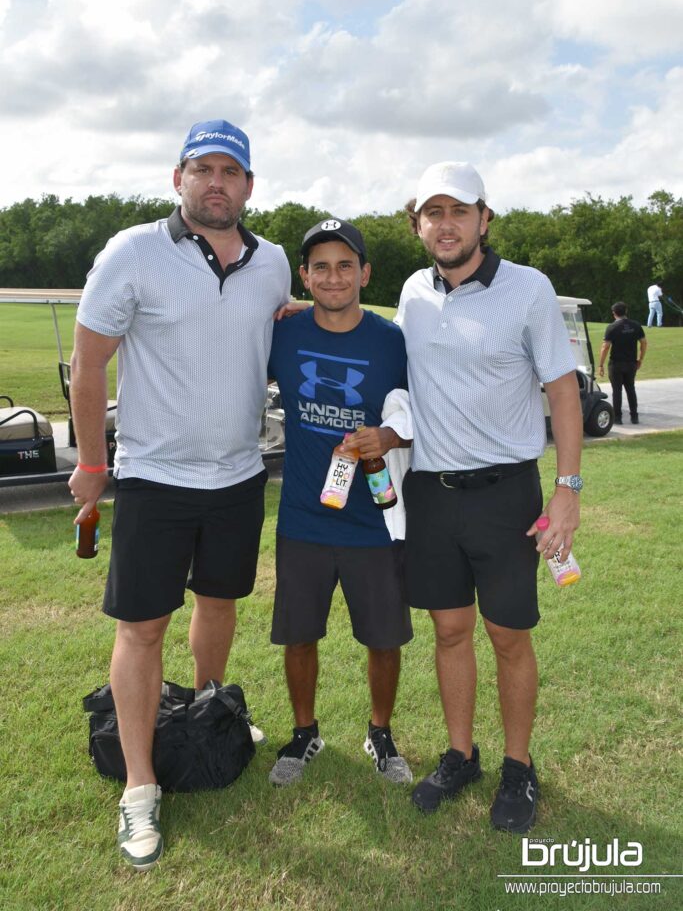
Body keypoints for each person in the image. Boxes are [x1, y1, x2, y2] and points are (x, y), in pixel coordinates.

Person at [68, 119, 291, 871]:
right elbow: (89, 362)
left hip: (238, 476)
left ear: (250, 186)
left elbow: (268, 332)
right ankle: (139, 785)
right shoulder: (132, 251)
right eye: (204, 168)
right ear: (178, 179)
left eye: (232, 170)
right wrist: (94, 467)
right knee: (141, 629)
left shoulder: (274, 262)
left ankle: (211, 710)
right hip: (155, 480)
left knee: (219, 605)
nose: (217, 182)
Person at [396, 161, 583, 833]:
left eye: (459, 212)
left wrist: (566, 491)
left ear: (483, 219)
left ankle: (517, 765)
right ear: (417, 223)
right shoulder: (412, 291)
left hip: (506, 493)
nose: (445, 225)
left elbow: (561, 391)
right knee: (448, 631)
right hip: (431, 494)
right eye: (432, 213)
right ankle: (459, 753)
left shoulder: (528, 289)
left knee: (507, 635)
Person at [266, 218, 414, 788]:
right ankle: (305, 733)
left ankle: (380, 732)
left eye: (345, 266)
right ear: (304, 276)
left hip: (373, 520)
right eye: (321, 267)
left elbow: (415, 410)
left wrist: (390, 437)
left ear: (365, 273)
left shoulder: (391, 341)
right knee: (299, 633)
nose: (333, 277)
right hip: (304, 516)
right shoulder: (282, 332)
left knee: (384, 636)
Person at [598, 302, 647, 425]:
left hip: (616, 363)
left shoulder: (612, 327)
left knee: (617, 390)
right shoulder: (636, 326)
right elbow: (644, 342)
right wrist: (640, 359)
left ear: (614, 313)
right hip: (631, 363)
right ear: (626, 311)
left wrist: (600, 364)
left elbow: (605, 347)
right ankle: (634, 416)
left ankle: (618, 418)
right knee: (630, 389)